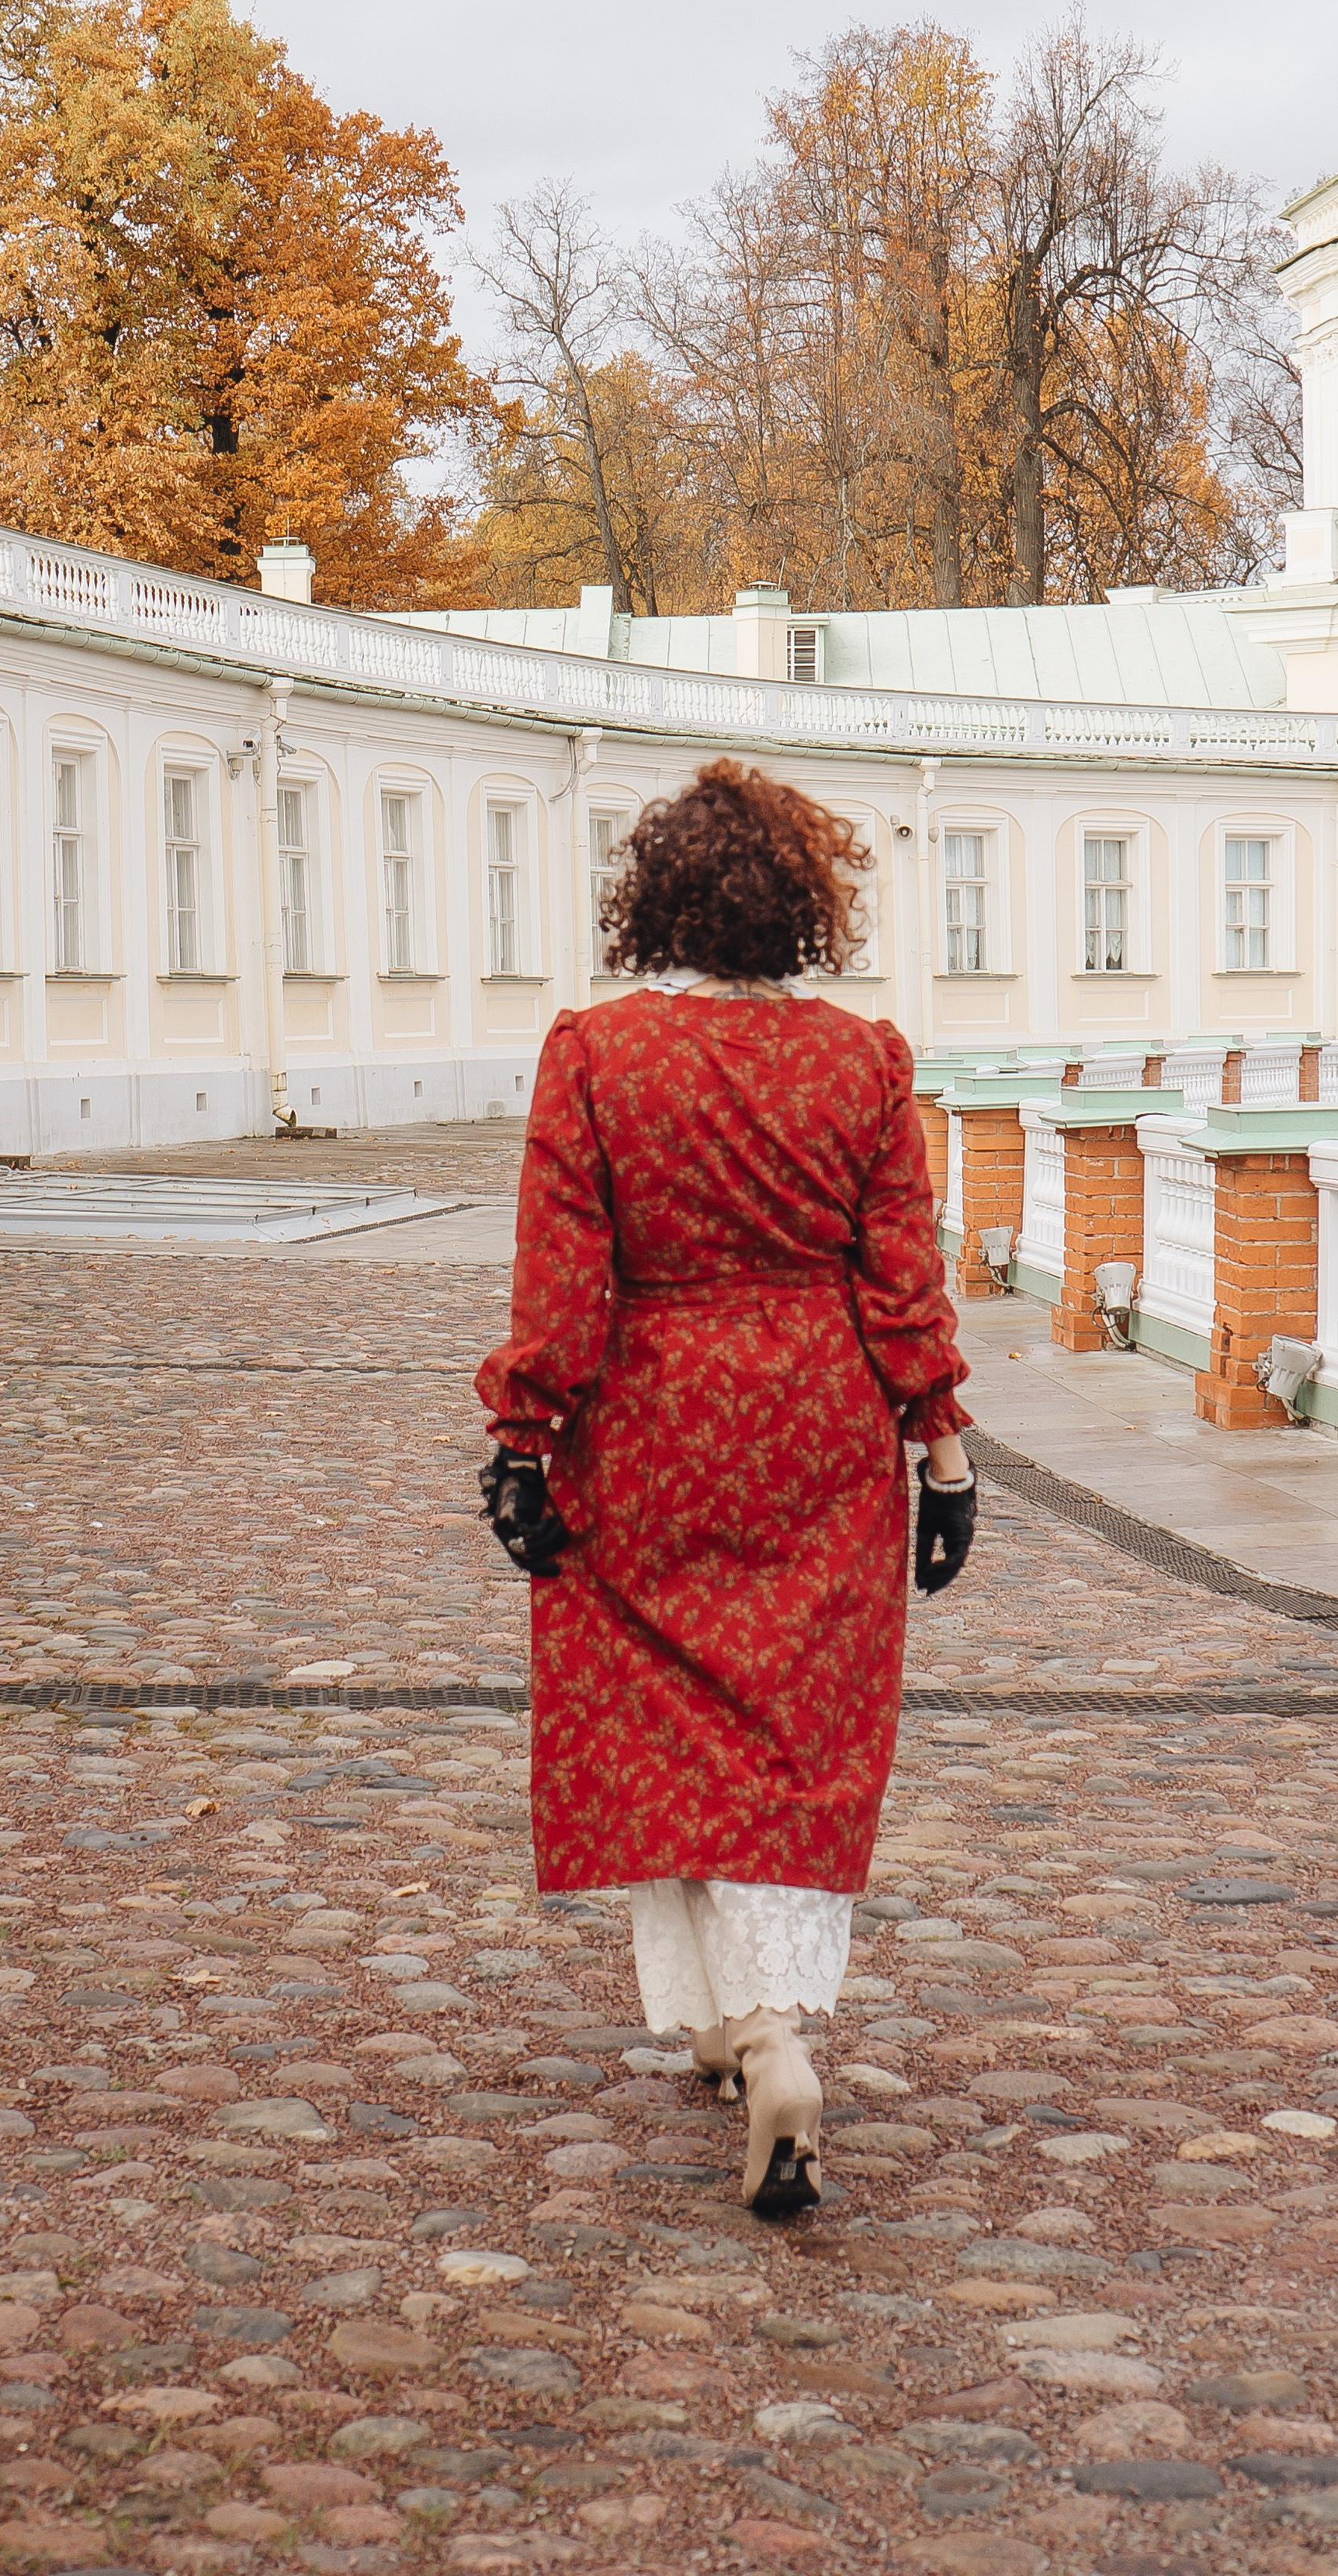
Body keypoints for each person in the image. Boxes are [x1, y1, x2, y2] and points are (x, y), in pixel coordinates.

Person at [476, 758, 976, 2218]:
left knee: (664, 1720)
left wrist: (525, 1434)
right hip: (821, 1420)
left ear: (655, 905)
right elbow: (902, 1271)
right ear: (804, 909)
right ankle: (752, 2023)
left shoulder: (598, 1052)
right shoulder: (863, 1061)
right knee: (794, 1729)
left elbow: (562, 1274)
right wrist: (941, 1445)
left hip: (649, 1420)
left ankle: (749, 2031)